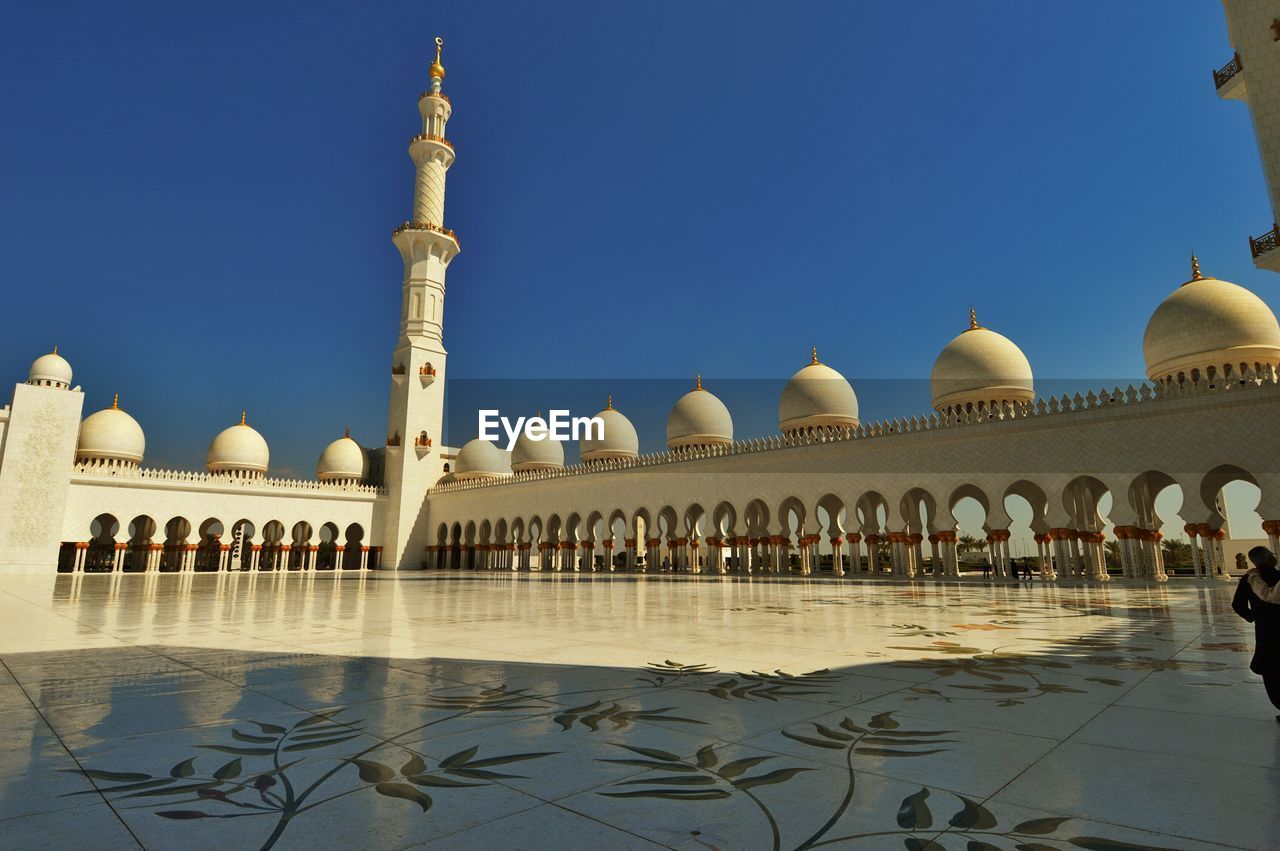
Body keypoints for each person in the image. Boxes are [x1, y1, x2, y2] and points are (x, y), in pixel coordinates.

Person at [1235, 546, 1280, 722]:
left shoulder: (1249, 579)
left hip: (1266, 631)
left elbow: (1238, 605)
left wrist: (1254, 616)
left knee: (1272, 670)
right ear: (1270, 558)